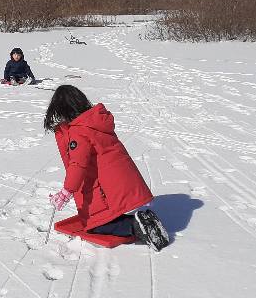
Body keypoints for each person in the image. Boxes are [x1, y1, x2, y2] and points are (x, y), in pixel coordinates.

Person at [44, 85, 169, 250]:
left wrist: (67, 191)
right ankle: (143, 220)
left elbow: (77, 165)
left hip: (107, 188)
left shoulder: (78, 132)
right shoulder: (95, 122)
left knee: (96, 226)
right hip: (121, 182)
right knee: (105, 217)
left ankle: (137, 226)